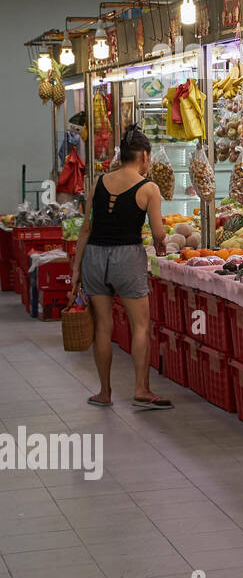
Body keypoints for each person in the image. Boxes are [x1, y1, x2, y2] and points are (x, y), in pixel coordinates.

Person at [71, 125, 170, 410]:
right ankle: (141, 388)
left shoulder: (99, 182)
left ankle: (104, 392)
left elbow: (86, 228)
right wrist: (161, 245)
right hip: (127, 258)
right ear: (144, 156)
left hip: (94, 258)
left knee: (103, 326)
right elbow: (159, 232)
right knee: (140, 325)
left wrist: (77, 269)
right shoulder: (148, 188)